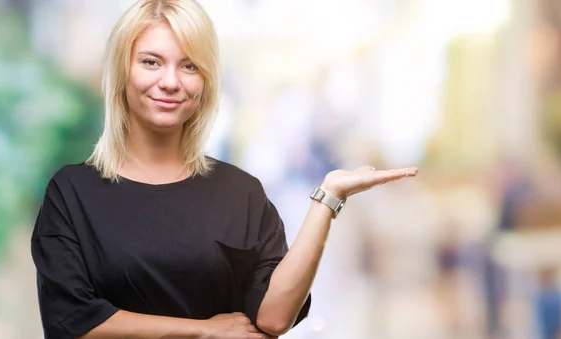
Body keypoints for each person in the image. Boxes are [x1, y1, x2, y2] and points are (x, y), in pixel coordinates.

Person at [29, 0, 419, 338]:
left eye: (189, 66)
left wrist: (328, 198)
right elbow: (73, 321)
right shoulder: (72, 192)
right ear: (122, 71)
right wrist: (204, 329)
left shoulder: (240, 192)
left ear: (206, 82)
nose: (169, 81)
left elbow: (274, 317)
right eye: (151, 62)